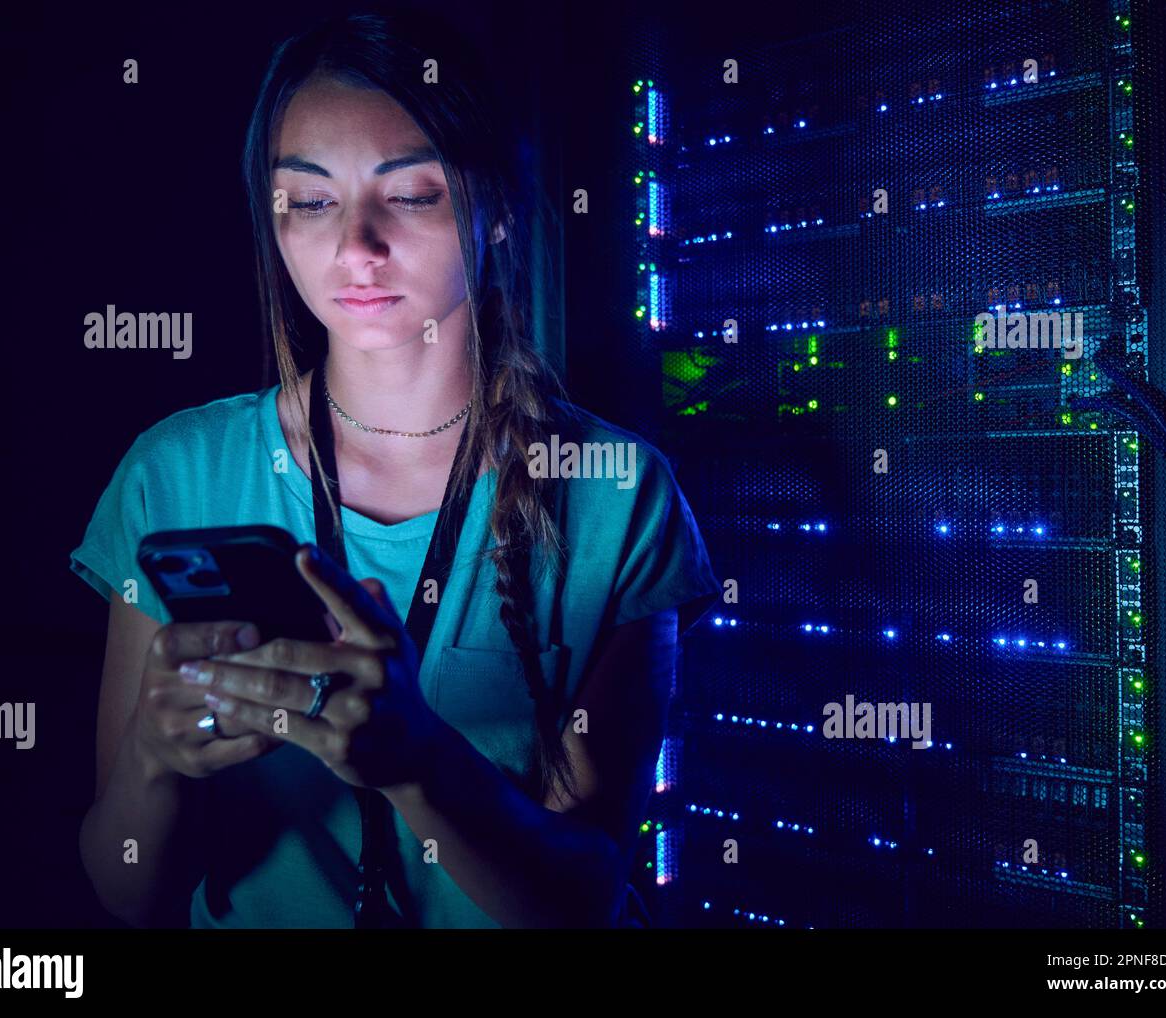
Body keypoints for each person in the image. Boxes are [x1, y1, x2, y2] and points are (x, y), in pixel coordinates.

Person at [71, 10, 719, 929]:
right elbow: (126, 892)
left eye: (410, 195)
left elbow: (584, 899)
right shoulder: (176, 474)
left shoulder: (616, 492)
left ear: (494, 208)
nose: (354, 247)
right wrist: (152, 758)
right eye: (310, 200)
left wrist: (421, 762)